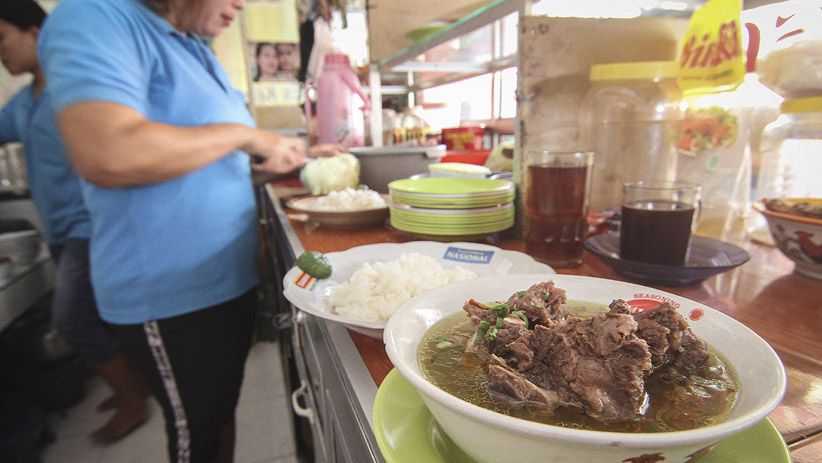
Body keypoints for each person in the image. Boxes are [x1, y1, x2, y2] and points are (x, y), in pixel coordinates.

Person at [38, 0, 336, 461]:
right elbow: (108, 152)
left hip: (224, 282)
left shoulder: (195, 46)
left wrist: (275, 163)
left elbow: (198, 164)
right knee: (198, 433)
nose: (241, 4)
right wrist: (245, 136)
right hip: (170, 294)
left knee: (216, 414)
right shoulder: (96, 16)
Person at [0, 0, 149, 444]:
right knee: (98, 317)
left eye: (2, 39)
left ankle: (132, 400)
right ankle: (132, 387)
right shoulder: (24, 103)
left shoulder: (77, 93)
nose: (0, 53)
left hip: (91, 227)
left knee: (72, 319)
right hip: (59, 231)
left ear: (35, 32)